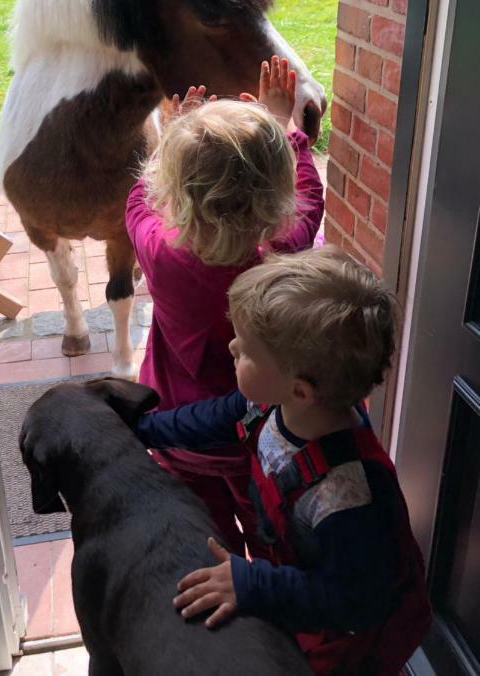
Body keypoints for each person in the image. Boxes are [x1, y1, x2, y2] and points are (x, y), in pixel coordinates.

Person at [134, 247, 432, 676]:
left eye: (247, 350)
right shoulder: (272, 405)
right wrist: (142, 429)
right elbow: (213, 417)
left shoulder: (347, 497)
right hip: (301, 586)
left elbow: (353, 603)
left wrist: (253, 583)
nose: (232, 346)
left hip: (345, 642)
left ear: (300, 390)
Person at [125, 57, 325, 555]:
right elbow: (310, 197)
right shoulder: (282, 254)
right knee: (275, 538)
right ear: (273, 196)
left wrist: (174, 136)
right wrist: (285, 130)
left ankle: (229, 595)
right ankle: (275, 601)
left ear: (174, 188)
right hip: (257, 440)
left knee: (208, 544)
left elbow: (136, 201)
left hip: (178, 430)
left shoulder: (157, 249)